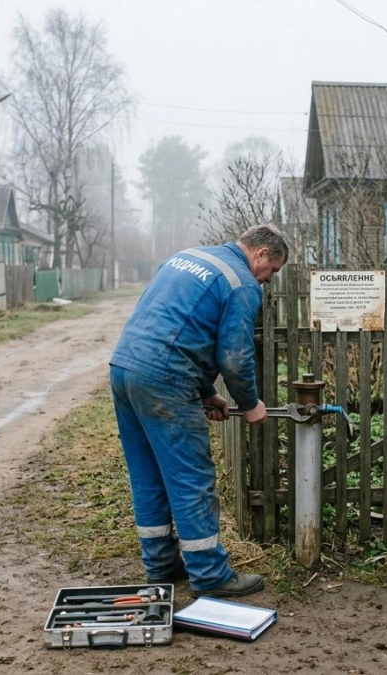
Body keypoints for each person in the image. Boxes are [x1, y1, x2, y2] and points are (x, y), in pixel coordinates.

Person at [109, 224, 289, 598]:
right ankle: (209, 574)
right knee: (191, 477)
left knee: (148, 473)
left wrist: (206, 392)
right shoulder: (241, 283)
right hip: (165, 379)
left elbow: (176, 323)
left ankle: (160, 566)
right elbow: (235, 357)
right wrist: (250, 404)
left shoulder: (186, 257)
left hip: (125, 369)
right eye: (272, 271)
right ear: (261, 255)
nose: (269, 281)